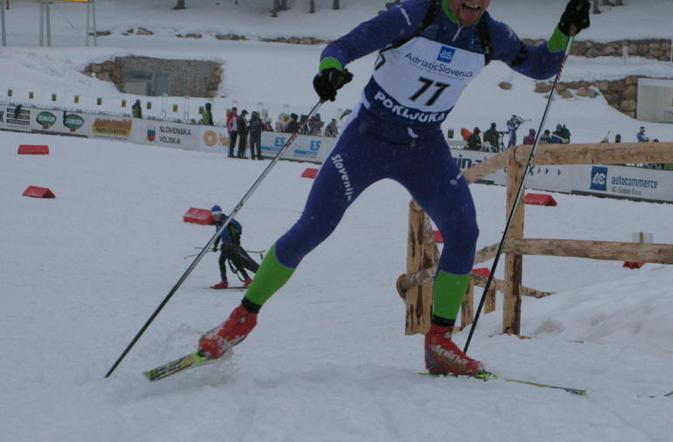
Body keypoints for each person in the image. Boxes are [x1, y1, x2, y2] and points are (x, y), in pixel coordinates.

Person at [198, 0, 590, 377]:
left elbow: (541, 66)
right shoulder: (414, 15)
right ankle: (241, 319)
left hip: (424, 147)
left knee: (463, 232)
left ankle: (439, 342)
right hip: (367, 139)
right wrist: (330, 69)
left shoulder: (490, 34)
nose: (475, 4)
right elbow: (343, 47)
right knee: (315, 225)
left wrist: (563, 29)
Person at [209, 205, 260, 289]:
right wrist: (215, 246)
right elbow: (218, 235)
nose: (216, 215)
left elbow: (239, 227)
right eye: (214, 214)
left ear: (221, 213)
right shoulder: (218, 223)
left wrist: (235, 234)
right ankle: (239, 280)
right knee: (227, 261)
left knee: (235, 261)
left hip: (231, 246)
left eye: (218, 213)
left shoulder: (227, 219)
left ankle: (227, 281)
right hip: (225, 246)